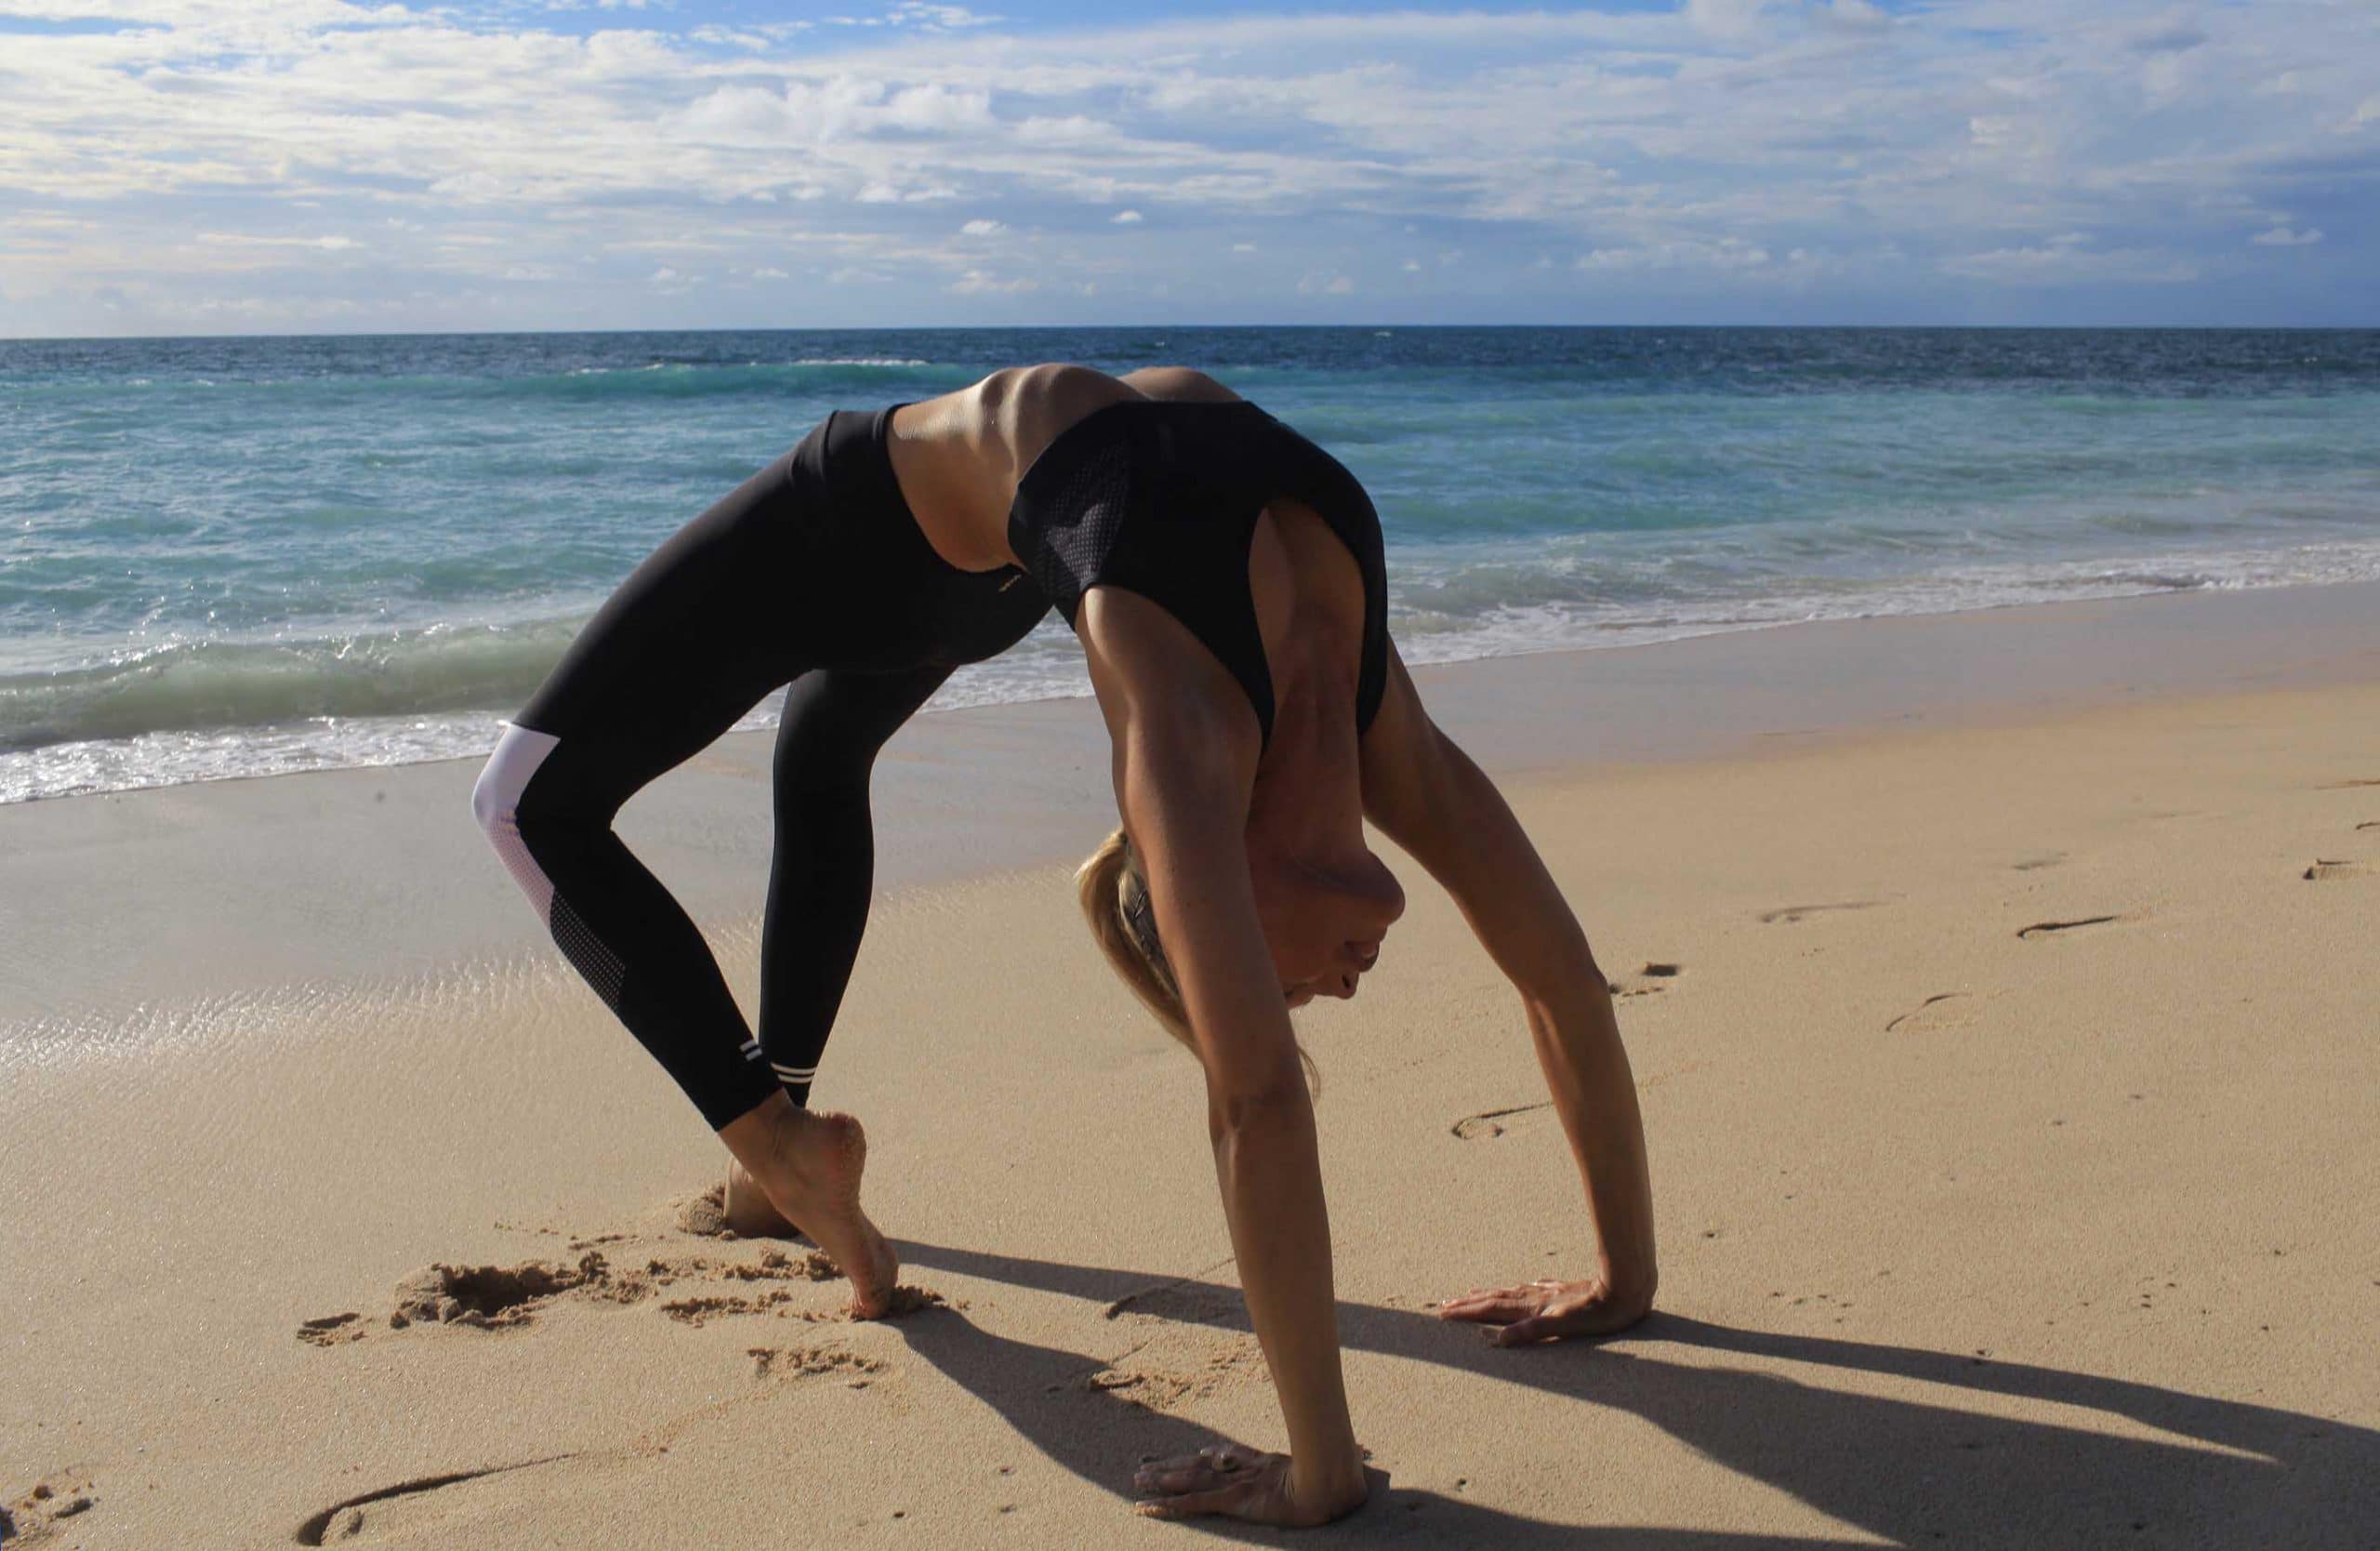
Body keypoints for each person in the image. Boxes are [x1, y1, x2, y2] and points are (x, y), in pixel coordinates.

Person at [469, 364, 1656, 1528]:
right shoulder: (1303, 723)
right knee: (549, 800)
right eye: (1278, 985)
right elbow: (1265, 1098)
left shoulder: (1222, 738)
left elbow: (1552, 980)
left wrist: (1621, 1283)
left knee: (731, 765)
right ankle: (772, 1143)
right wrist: (1322, 1465)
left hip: (1008, 547)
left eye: (1276, 989)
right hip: (909, 535)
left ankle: (774, 1150)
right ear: (1218, 883)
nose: (1317, 994)